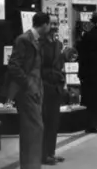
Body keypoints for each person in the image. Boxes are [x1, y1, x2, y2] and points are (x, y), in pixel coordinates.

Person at [7, 12, 51, 169]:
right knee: (34, 129)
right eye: (49, 24)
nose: (50, 27)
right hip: (28, 92)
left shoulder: (38, 40)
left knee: (34, 129)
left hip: (36, 91)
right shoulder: (24, 40)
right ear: (44, 24)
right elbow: (14, 65)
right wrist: (27, 84)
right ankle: (30, 165)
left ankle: (32, 164)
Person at [41, 15, 66, 165]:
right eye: (52, 24)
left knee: (54, 122)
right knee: (45, 122)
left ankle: (51, 152)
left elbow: (58, 65)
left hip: (56, 87)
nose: (55, 26)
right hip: (45, 86)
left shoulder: (57, 44)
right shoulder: (40, 44)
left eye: (57, 23)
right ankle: (43, 154)